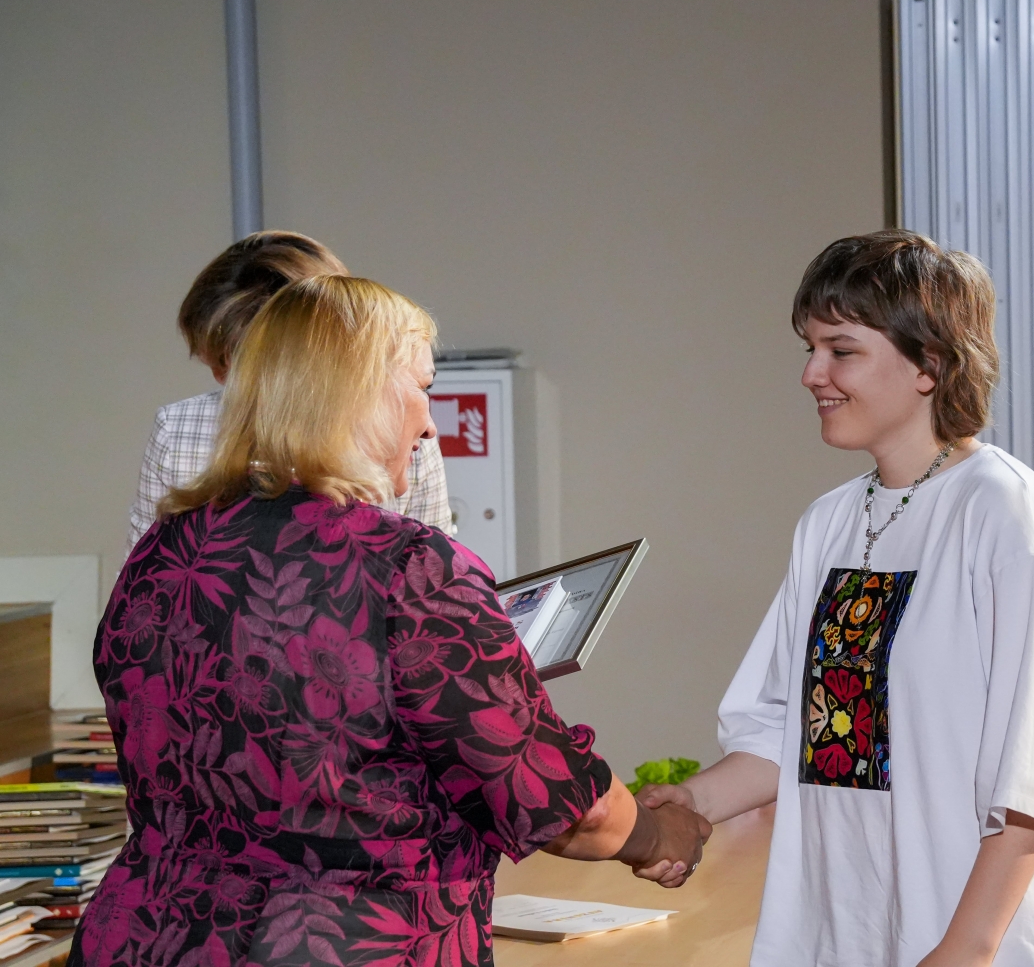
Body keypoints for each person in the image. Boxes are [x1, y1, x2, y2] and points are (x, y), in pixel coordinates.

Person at [73, 275, 709, 967]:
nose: (430, 424)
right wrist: (660, 836)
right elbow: (552, 799)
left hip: (145, 940)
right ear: (361, 392)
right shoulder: (409, 567)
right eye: (422, 387)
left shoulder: (160, 552)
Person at [640, 231, 1034, 967]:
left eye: (841, 350)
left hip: (975, 937)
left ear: (931, 363)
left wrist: (964, 949)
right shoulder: (830, 521)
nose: (812, 374)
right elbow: (803, 732)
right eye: (809, 348)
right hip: (845, 929)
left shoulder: (1002, 512)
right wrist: (693, 806)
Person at [127, 231, 452, 550]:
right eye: (229, 362)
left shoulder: (407, 432)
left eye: (270, 361)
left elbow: (436, 565)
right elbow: (145, 571)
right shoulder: (177, 430)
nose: (253, 384)